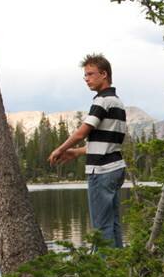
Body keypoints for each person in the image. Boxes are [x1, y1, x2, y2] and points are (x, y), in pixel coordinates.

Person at [48, 53, 127, 249]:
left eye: (90, 74)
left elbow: (82, 132)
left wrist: (60, 149)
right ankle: (118, 269)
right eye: (85, 75)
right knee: (114, 225)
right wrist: (76, 152)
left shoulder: (101, 101)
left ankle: (103, 273)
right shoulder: (117, 102)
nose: (86, 79)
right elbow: (107, 143)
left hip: (101, 172)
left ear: (104, 74)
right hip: (115, 168)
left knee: (101, 229)